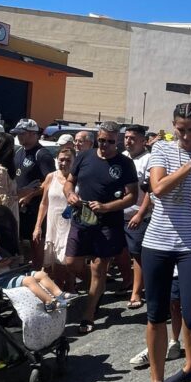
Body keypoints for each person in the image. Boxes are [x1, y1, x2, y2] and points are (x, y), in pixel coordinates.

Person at [132, 102, 191, 382]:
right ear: (172, 126)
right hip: (157, 241)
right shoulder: (163, 151)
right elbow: (157, 188)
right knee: (155, 314)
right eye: (179, 129)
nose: (184, 135)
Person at [63, 121, 138, 334]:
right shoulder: (84, 157)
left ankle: (89, 314)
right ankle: (98, 288)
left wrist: (107, 207)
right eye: (102, 140)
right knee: (71, 263)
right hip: (81, 218)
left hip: (107, 224)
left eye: (110, 141)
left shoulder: (124, 163)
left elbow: (132, 196)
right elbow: (69, 182)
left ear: (118, 141)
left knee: (99, 269)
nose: (105, 145)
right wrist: (70, 194)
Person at [12, 118, 56, 266]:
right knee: (21, 242)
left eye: (22, 133)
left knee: (36, 242)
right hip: (19, 205)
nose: (19, 136)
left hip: (35, 207)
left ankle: (39, 273)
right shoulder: (18, 151)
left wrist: (31, 195)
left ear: (33, 134)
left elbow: (50, 181)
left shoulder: (42, 155)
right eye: (17, 133)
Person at [33, 144, 76, 293]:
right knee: (55, 262)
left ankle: (70, 288)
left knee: (67, 261)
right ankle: (61, 290)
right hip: (53, 225)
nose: (63, 163)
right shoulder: (51, 177)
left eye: (68, 160)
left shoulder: (78, 179)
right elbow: (44, 203)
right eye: (61, 159)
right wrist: (38, 226)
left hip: (70, 225)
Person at [123, 125, 152, 309]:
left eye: (133, 138)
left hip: (138, 216)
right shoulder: (122, 158)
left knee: (137, 255)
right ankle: (127, 282)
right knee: (120, 253)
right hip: (118, 214)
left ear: (143, 141)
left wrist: (140, 214)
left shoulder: (148, 160)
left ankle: (136, 293)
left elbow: (150, 191)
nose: (128, 141)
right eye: (126, 137)